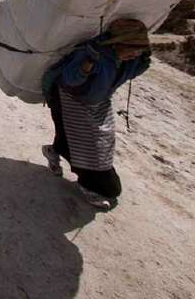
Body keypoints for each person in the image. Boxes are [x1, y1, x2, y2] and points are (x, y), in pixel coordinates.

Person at [42, 18, 152, 210]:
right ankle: (88, 186)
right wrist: (86, 65)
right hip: (68, 99)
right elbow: (70, 79)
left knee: (98, 141)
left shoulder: (129, 60)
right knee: (78, 142)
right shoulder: (93, 54)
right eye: (132, 48)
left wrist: (144, 58)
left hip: (98, 102)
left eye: (139, 50)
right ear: (117, 43)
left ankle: (53, 151)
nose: (135, 53)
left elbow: (135, 70)